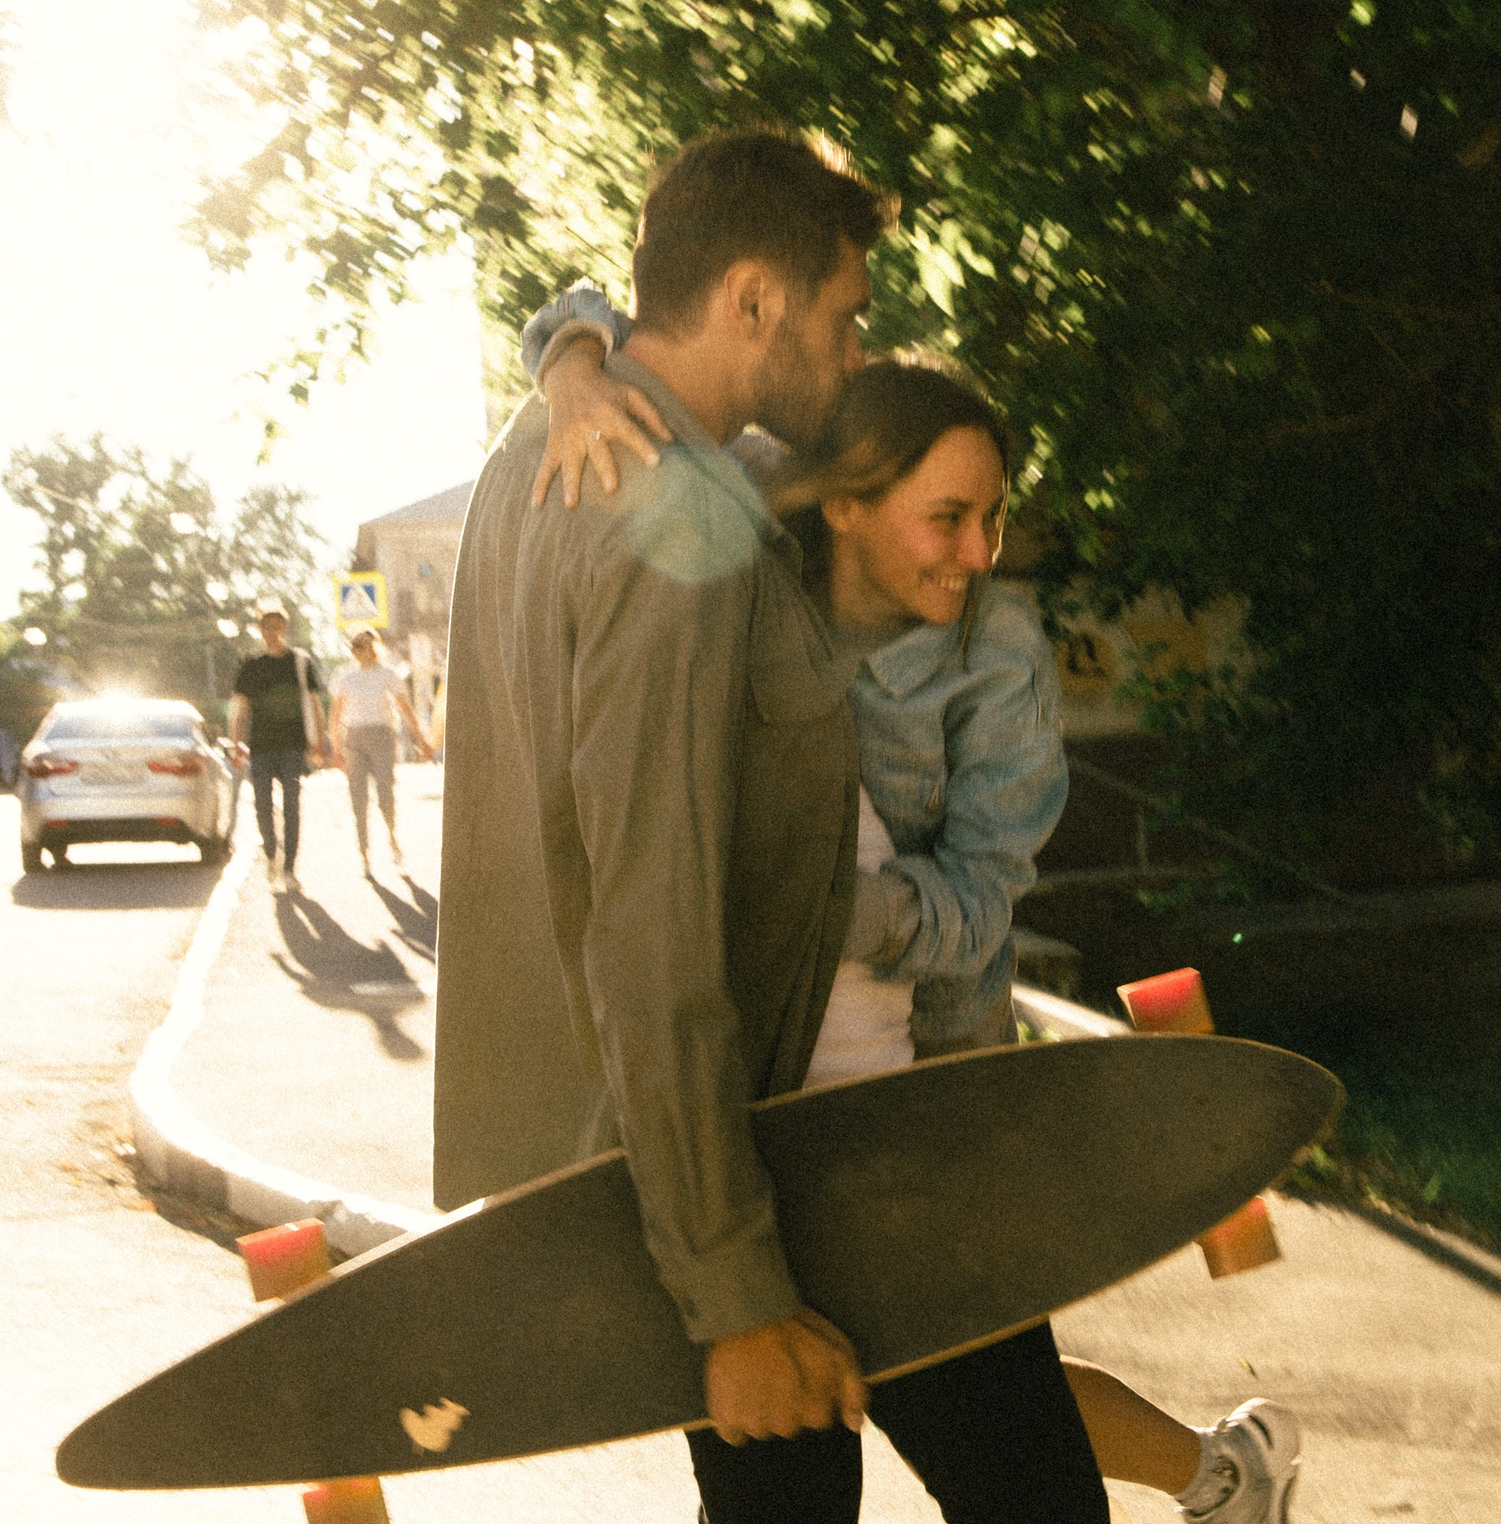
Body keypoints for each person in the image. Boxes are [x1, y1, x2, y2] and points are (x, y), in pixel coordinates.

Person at [433, 125, 1108, 1524]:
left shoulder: (532, 451)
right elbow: (651, 928)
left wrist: (569, 353)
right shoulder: (673, 516)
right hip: (747, 1162)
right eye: (843, 315)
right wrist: (736, 1294)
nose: (856, 355)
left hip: (645, 1148)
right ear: (752, 299)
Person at [528, 316, 1304, 1523]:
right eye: (948, 517)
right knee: (791, 1494)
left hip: (927, 1129)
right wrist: (569, 365)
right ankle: (1227, 1470)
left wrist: (812, 905)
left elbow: (979, 903)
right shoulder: (742, 569)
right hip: (753, 1136)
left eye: (992, 516)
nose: (978, 551)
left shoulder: (995, 654)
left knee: (1020, 1476)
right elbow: (652, 311)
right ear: (843, 503)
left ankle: (1225, 1470)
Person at [228, 604, 326, 894]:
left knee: (292, 807)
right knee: (262, 806)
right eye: (266, 626)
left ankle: (289, 870)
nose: (272, 632)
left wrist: (319, 742)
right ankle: (271, 854)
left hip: (293, 746)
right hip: (260, 747)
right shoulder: (251, 665)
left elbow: (314, 704)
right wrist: (235, 743)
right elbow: (240, 707)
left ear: (284, 628)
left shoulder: (299, 662)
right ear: (260, 630)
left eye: (276, 626)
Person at [326, 627, 434, 871]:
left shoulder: (387, 674)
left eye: (361, 645)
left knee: (385, 793)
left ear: (372, 647)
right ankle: (364, 852)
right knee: (358, 796)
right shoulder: (345, 676)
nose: (356, 651)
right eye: (353, 646)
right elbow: (336, 713)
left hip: (381, 735)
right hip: (354, 738)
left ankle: (392, 836)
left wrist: (421, 739)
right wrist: (336, 747)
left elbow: (404, 708)